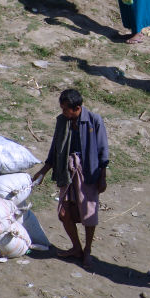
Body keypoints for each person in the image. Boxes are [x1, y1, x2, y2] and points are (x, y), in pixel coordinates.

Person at [32, 89, 109, 268]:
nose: (63, 112)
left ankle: (87, 249)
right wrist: (43, 170)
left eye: (66, 109)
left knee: (89, 213)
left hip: (89, 172)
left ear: (77, 108)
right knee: (63, 213)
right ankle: (76, 247)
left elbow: (103, 150)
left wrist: (103, 177)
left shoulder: (94, 120)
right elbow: (55, 147)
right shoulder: (62, 121)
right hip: (67, 171)